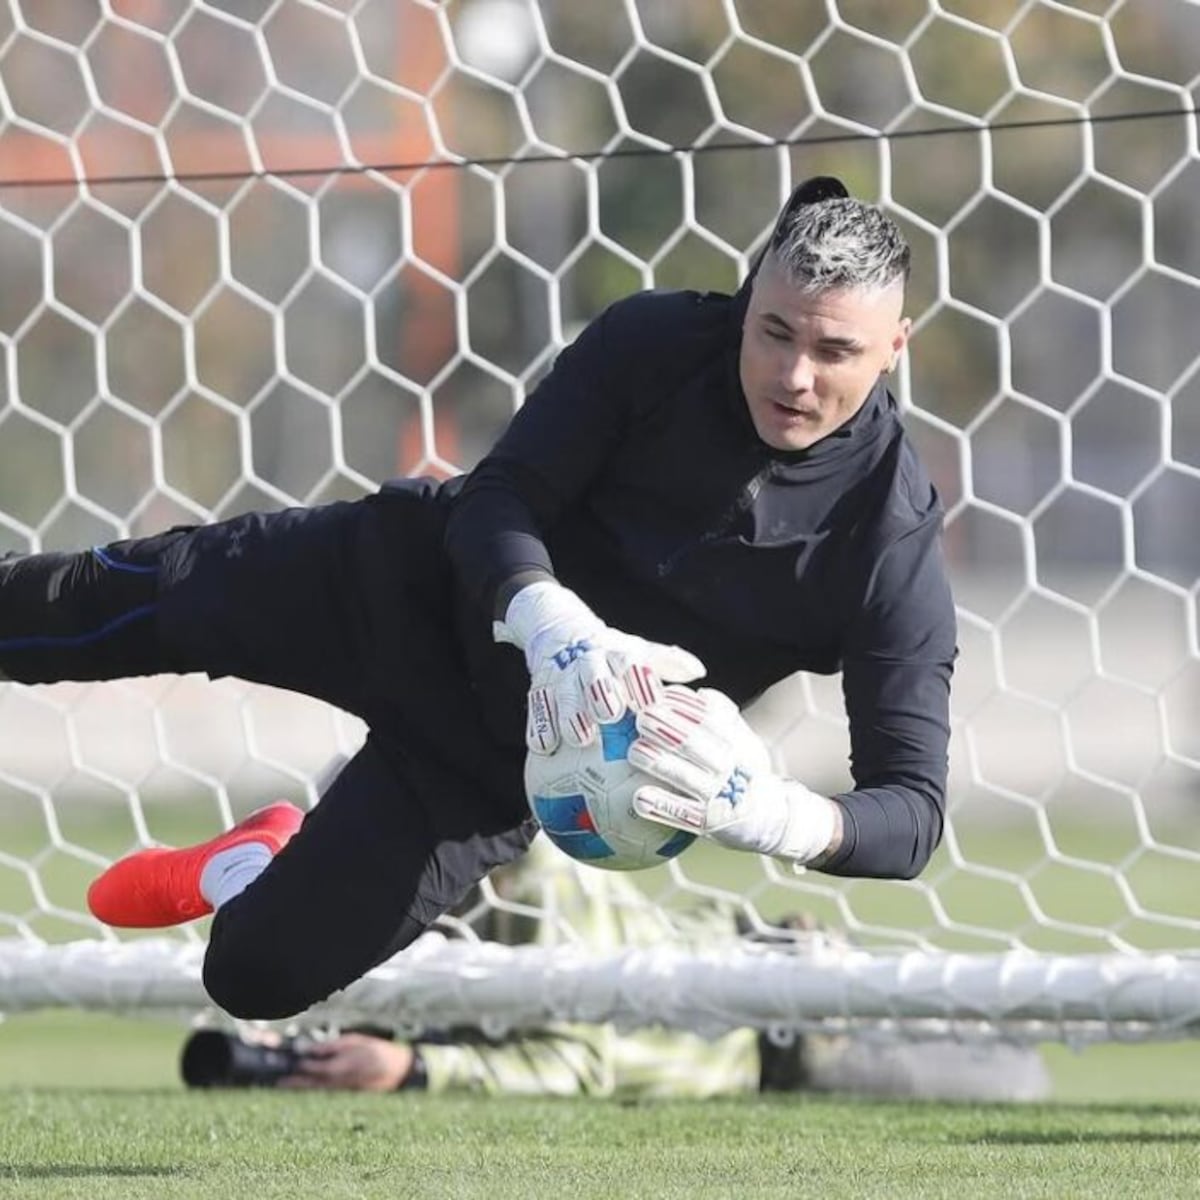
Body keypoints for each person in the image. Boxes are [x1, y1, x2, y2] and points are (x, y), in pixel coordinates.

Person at [0, 176, 956, 1022]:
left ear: (894, 347)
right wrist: (554, 624)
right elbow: (501, 497)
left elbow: (910, 812)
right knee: (86, 606)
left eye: (834, 351)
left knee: (254, 974)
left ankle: (251, 862)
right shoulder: (657, 340)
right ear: (749, 301)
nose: (793, 375)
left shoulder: (888, 539)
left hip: (483, 767)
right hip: (398, 584)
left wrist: (777, 815)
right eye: (775, 332)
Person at [187, 837, 1048, 1102]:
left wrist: (415, 1070)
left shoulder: (539, 901)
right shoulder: (484, 900)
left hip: (787, 1032)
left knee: (1017, 1081)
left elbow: (581, 1061)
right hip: (766, 968)